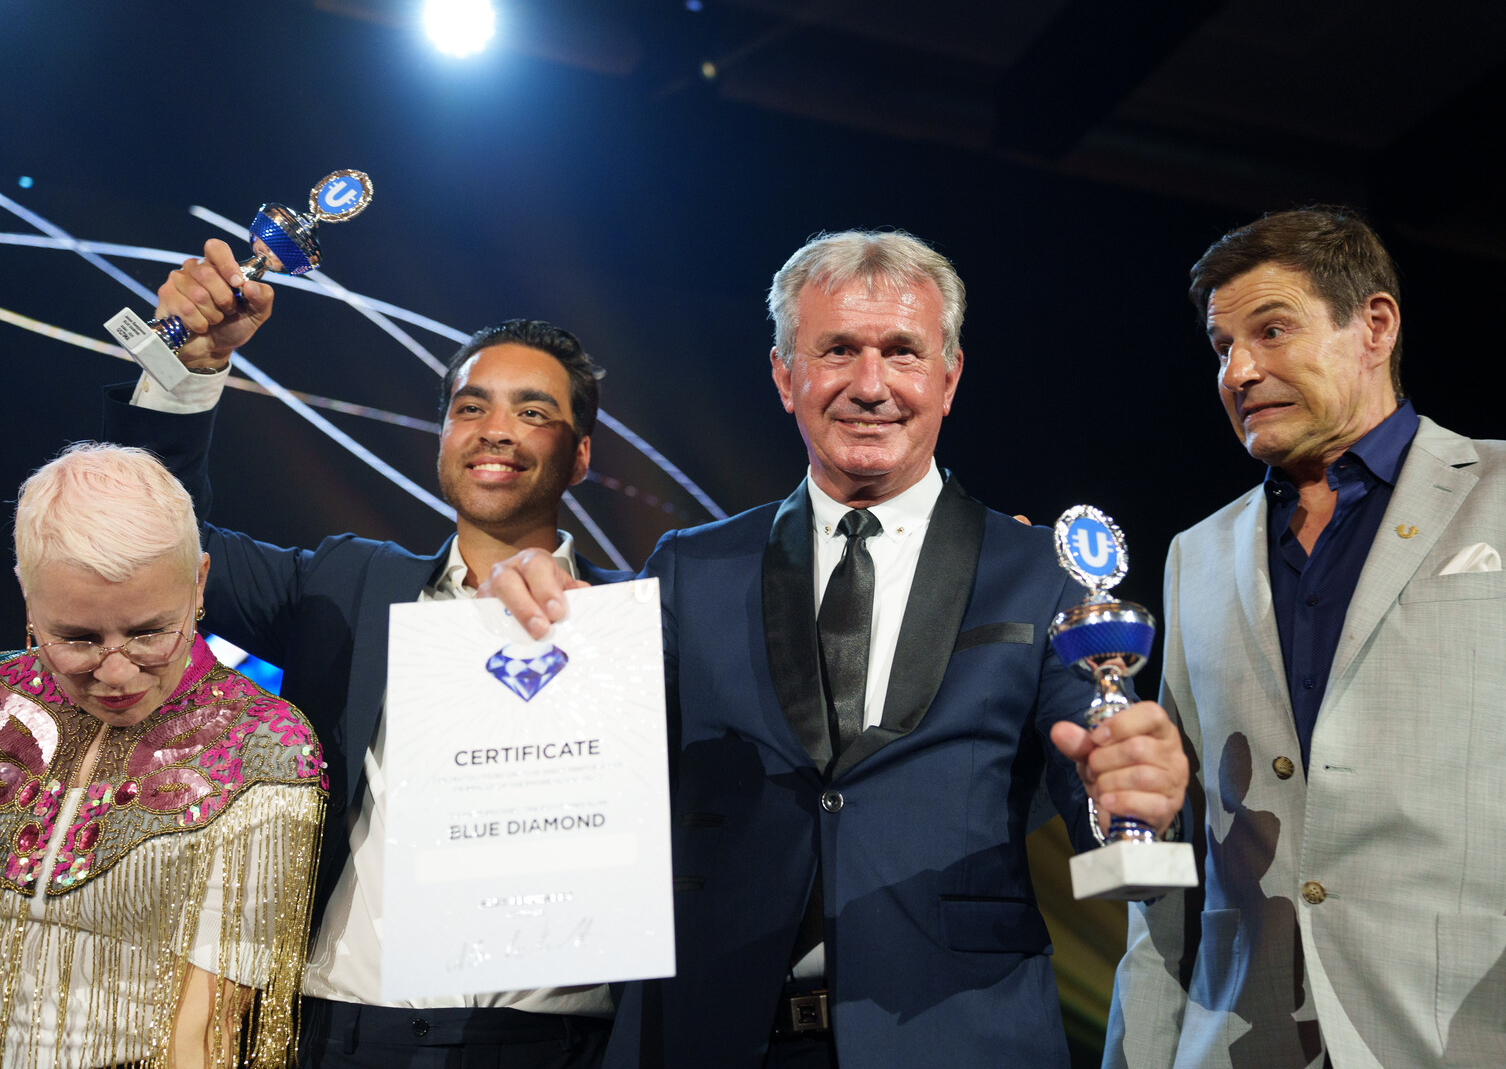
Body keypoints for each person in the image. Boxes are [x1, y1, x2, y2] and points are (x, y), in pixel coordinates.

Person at [485, 229, 1190, 1068]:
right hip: (713, 1036)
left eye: (903, 352)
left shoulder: (1041, 572)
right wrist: (534, 620)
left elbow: (1101, 795)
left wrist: (1133, 799)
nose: (871, 384)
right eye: (838, 350)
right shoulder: (688, 568)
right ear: (785, 376)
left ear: (949, 377)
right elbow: (588, 777)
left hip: (955, 1034)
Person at [1103, 207, 1506, 1068]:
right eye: (1222, 348)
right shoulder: (1196, 555)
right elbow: (1174, 843)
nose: (1239, 371)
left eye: (1271, 331)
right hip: (1248, 1044)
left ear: (1375, 326)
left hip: (1491, 1041)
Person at [100, 241, 626, 1068]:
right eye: (471, 407)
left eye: (534, 412)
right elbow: (156, 548)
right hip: (344, 1034)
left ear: (582, 454)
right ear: (444, 436)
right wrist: (188, 374)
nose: (496, 429)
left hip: (560, 1045)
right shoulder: (344, 585)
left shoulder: (632, 624)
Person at [1, 442, 326, 1069]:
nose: (117, 672)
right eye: (77, 639)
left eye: (149, 632)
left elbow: (202, 1037)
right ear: (27, 597)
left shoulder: (261, 748)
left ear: (199, 582)